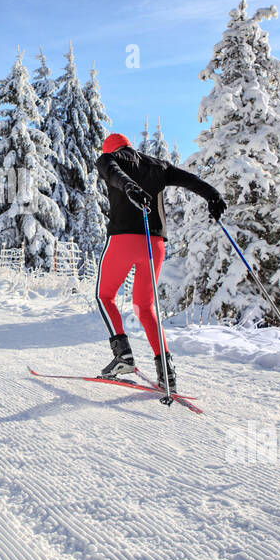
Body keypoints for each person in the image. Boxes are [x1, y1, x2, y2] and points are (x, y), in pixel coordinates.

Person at [94, 132, 225, 391]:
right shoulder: (158, 165)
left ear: (109, 149)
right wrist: (212, 195)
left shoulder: (108, 159)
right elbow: (190, 180)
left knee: (104, 296)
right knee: (145, 306)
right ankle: (166, 371)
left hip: (123, 240)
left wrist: (130, 188)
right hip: (154, 245)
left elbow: (115, 176)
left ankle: (123, 355)